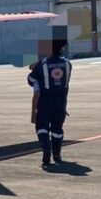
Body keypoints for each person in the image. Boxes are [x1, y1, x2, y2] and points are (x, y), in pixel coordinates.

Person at [27, 39, 71, 169]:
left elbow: (31, 79)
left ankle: (46, 150)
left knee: (42, 127)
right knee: (57, 129)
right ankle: (57, 155)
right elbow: (65, 83)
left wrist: (36, 66)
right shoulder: (68, 64)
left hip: (45, 102)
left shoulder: (43, 65)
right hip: (61, 102)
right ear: (61, 49)